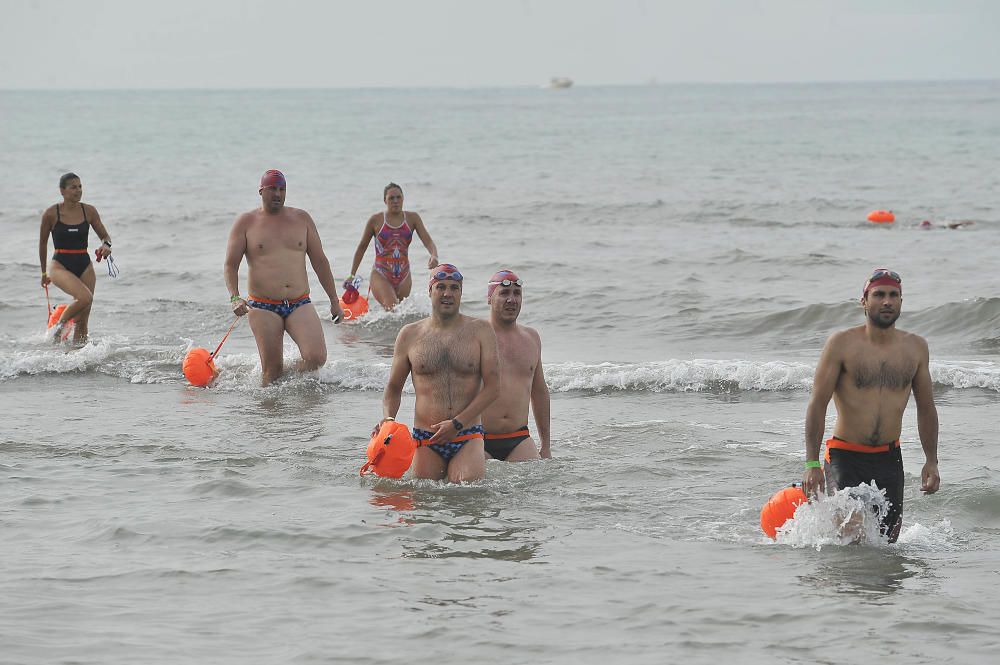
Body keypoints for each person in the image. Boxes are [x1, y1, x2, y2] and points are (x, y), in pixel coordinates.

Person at [802, 268, 940, 542]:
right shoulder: (841, 344)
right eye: (878, 295)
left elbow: (926, 408)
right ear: (864, 301)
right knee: (852, 535)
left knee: (886, 545)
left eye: (893, 295)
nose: (887, 301)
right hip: (845, 456)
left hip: (889, 459)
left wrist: (931, 460)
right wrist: (812, 462)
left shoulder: (916, 348)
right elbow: (818, 403)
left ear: (901, 301)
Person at [380, 264, 500, 482]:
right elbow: (393, 388)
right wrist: (388, 420)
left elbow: (493, 388)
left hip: (467, 433)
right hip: (426, 437)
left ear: (461, 292)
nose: (447, 293)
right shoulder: (409, 335)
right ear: (430, 291)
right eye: (441, 287)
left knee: (466, 492)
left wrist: (457, 424)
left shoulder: (481, 331)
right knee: (424, 501)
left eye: (454, 288)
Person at [224, 170, 343, 386]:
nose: (278, 194)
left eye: (282, 189)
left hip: (299, 303)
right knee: (271, 375)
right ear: (261, 191)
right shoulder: (246, 222)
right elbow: (231, 265)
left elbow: (320, 262)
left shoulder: (301, 219)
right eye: (272, 189)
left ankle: (287, 377)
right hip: (262, 306)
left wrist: (335, 301)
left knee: (316, 358)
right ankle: (271, 414)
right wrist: (235, 298)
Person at [481, 270, 551, 461]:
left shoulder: (531, 338)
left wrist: (545, 446)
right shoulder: (474, 336)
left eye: (517, 293)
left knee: (539, 484)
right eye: (504, 293)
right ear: (489, 298)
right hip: (478, 438)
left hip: (519, 438)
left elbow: (539, 392)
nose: (511, 300)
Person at [38, 173, 113, 344]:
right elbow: (42, 244)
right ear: (62, 191)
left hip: (84, 264)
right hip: (59, 265)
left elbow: (105, 236)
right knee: (85, 298)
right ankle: (58, 326)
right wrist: (43, 272)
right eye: (73, 187)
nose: (78, 190)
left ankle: (78, 357)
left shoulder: (89, 211)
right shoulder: (51, 213)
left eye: (80, 186)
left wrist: (106, 246)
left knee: (83, 319)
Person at [346, 183, 439, 310]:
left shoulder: (413, 218)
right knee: (392, 308)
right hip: (381, 273)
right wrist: (352, 275)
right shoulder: (376, 220)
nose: (395, 201)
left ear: (403, 199)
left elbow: (428, 241)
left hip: (404, 275)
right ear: (385, 200)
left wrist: (434, 255)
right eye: (391, 198)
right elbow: (362, 247)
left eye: (398, 197)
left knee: (399, 314)